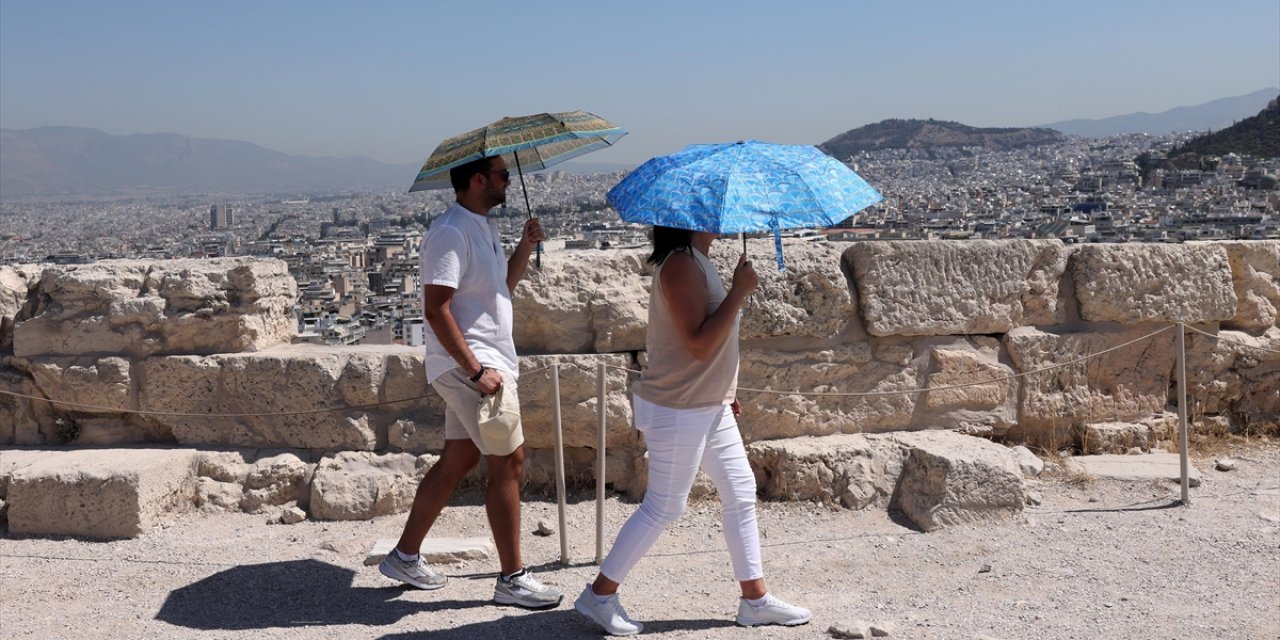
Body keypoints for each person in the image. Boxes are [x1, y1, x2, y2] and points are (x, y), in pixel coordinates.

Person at [574, 227, 811, 635]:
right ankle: (598, 596)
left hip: (706, 403)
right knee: (664, 505)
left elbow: (707, 348)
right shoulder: (681, 264)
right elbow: (698, 343)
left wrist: (725, 388)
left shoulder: (696, 260)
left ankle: (754, 600)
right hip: (678, 407)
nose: (717, 215)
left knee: (740, 492)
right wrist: (739, 292)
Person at [378, 155, 562, 610]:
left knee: (458, 458)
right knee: (509, 461)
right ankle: (512, 578)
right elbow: (435, 308)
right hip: (473, 368)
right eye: (501, 175)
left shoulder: (482, 226)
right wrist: (476, 371)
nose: (507, 182)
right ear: (478, 180)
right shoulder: (450, 232)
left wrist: (524, 246)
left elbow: (500, 289)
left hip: (481, 363)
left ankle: (404, 556)